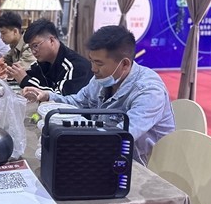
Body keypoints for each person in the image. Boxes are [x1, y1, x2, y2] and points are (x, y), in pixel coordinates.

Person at [22, 25, 175, 164]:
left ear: (124, 64)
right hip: (106, 155)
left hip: (140, 166)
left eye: (99, 63)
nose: (93, 69)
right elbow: (78, 102)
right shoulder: (102, 79)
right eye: (92, 61)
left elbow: (120, 136)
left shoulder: (149, 91)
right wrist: (48, 96)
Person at [16, 18, 92, 94]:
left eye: (35, 46)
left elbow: (60, 96)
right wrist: (15, 73)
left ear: (51, 40)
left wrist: (26, 80)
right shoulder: (43, 62)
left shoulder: (76, 66)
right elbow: (32, 75)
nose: (33, 51)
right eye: (30, 47)